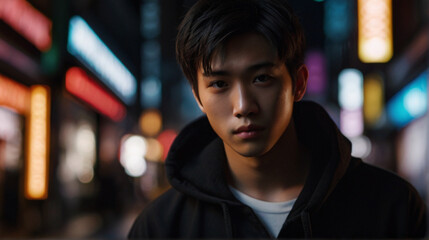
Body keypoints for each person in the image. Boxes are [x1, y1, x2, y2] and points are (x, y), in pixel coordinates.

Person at [128, 0, 427, 238]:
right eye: (219, 84)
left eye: (261, 78)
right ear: (197, 96)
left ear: (298, 83)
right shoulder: (161, 227)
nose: (243, 106)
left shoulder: (391, 208)